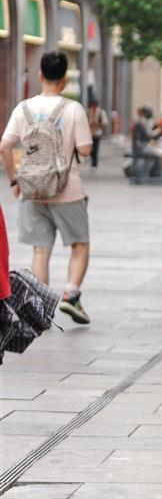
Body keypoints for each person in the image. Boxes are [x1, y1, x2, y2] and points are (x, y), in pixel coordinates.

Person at [1, 50, 93, 324]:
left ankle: (40, 306)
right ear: (64, 79)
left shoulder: (23, 108)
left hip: (32, 191)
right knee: (79, 244)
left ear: (40, 75)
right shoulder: (73, 108)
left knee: (41, 249)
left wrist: (14, 179)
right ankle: (70, 294)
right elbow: (85, 150)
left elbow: (4, 146)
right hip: (68, 190)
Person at [86, 98, 107, 170]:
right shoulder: (88, 112)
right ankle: (93, 161)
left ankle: (94, 163)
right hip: (89, 133)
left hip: (97, 133)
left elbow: (105, 123)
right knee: (91, 149)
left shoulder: (101, 112)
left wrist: (97, 124)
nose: (93, 107)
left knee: (96, 148)